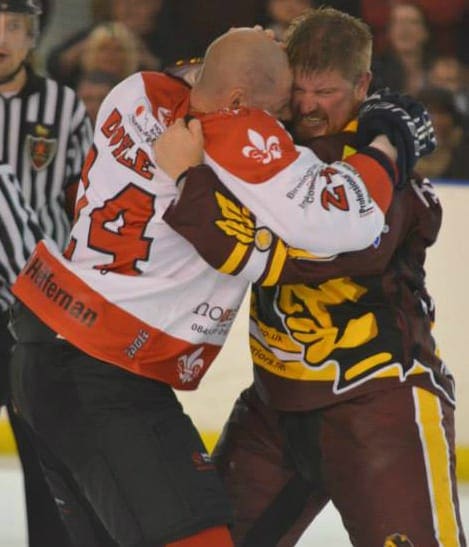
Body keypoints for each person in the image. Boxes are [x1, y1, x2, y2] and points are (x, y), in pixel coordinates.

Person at [7, 24, 430, 546]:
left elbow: (197, 75)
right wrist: (389, 140)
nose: (285, 126)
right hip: (106, 376)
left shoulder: (135, 90)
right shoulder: (233, 136)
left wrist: (244, 53)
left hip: (42, 349)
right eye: (279, 111)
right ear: (238, 105)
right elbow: (346, 220)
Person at [156, 8, 466, 546]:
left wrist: (195, 184)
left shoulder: (382, 169)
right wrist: (240, 51)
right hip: (273, 406)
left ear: (363, 85)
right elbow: (187, 87)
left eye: (325, 92)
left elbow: (333, 248)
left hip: (379, 404)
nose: (307, 106)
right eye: (297, 89)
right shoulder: (272, 137)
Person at [0, 0, 93, 545]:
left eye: (14, 26)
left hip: (40, 306)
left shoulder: (63, 105)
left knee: (44, 447)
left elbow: (85, 197)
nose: (2, 37)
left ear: (33, 36)